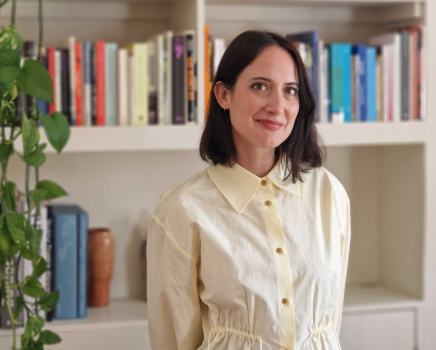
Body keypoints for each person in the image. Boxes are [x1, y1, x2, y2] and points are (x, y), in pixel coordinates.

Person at [146, 30, 351, 350]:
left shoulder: (329, 194)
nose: (277, 106)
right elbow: (172, 340)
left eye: (290, 91)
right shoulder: (183, 209)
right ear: (223, 95)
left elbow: (328, 323)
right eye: (260, 86)